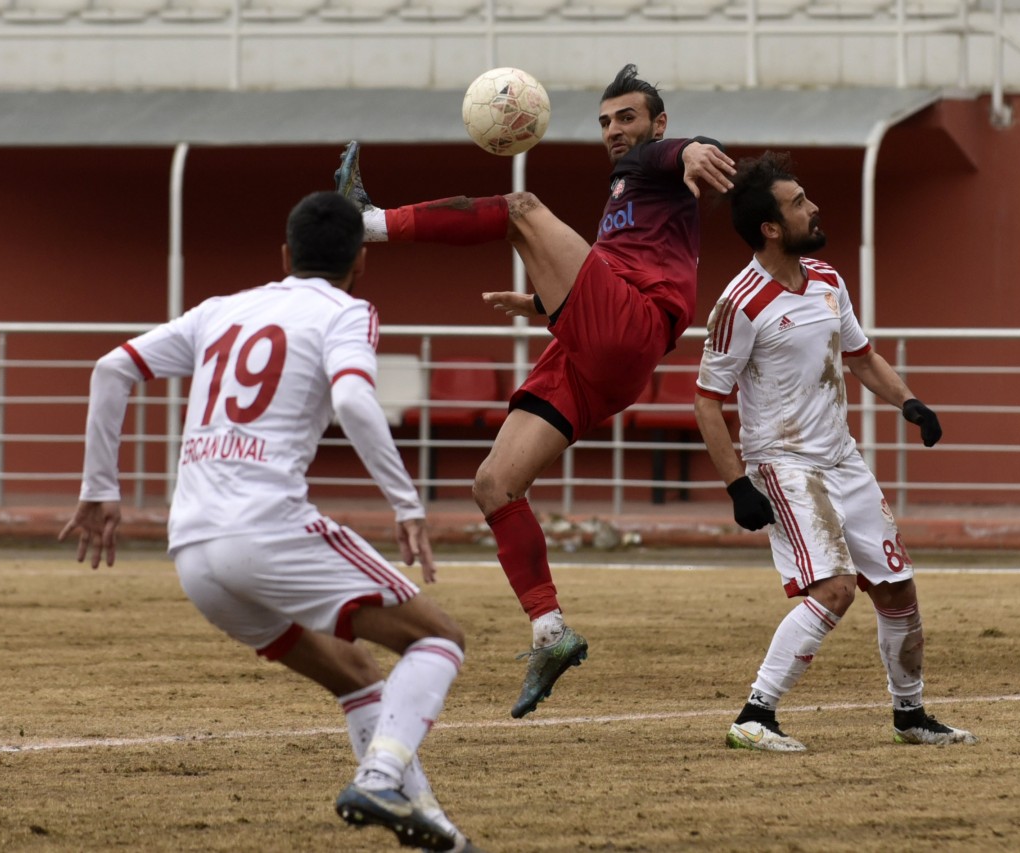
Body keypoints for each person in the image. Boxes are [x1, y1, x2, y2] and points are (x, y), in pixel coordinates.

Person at [58, 191, 486, 852]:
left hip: (194, 554)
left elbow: (112, 367)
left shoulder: (221, 310)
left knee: (357, 675)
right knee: (439, 640)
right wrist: (407, 504)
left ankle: (425, 819)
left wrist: (99, 487)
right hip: (267, 531)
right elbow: (352, 397)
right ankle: (378, 774)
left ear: (285, 255)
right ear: (360, 263)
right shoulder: (348, 311)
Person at [334, 64, 736, 719]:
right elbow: (617, 262)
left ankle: (367, 223)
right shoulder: (626, 188)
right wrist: (549, 303)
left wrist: (690, 147)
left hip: (631, 327)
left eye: (627, 118)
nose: (614, 130)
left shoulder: (660, 163)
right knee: (493, 484)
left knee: (521, 209)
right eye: (605, 121)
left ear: (657, 123)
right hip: (595, 346)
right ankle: (550, 631)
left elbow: (678, 153)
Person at [693, 152, 977, 751]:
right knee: (835, 589)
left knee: (898, 588)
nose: (812, 207)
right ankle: (754, 714)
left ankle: (910, 716)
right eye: (798, 202)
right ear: (770, 228)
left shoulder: (826, 278)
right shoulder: (739, 304)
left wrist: (909, 402)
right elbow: (705, 401)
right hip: (784, 464)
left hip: (842, 459)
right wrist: (738, 485)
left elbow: (862, 356)